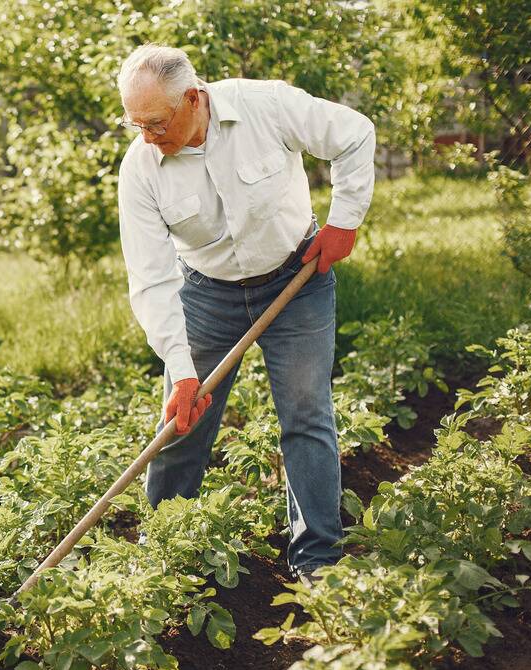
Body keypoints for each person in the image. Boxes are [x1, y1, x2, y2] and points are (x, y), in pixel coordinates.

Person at [115, 45, 375, 582]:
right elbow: (152, 278)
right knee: (183, 421)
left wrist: (344, 220)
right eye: (134, 124)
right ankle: (161, 553)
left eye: (156, 123)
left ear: (194, 98)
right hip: (206, 294)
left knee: (306, 415)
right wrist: (183, 371)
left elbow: (354, 134)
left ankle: (318, 560)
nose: (146, 136)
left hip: (296, 278)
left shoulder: (265, 106)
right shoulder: (141, 168)